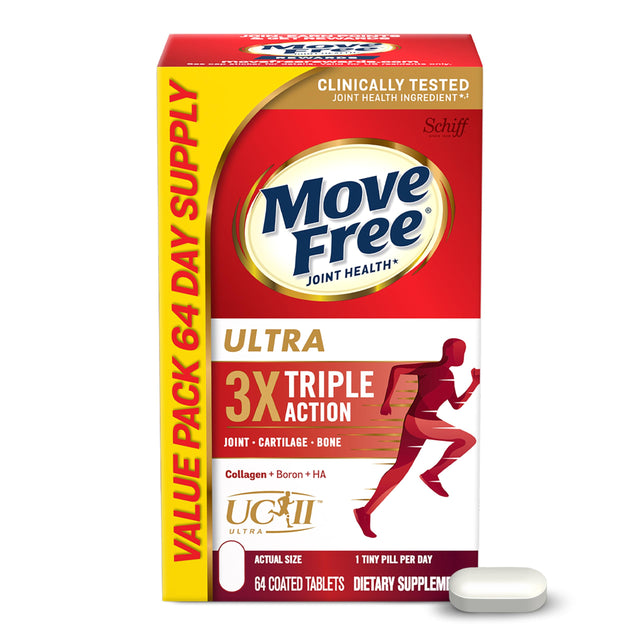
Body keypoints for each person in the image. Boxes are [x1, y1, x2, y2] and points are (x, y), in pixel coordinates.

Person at [354, 338, 479, 538]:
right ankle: (432, 474)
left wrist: (474, 383)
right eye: (459, 352)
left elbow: (456, 404)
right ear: (448, 352)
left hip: (418, 423)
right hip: (420, 422)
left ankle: (365, 511)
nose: (462, 356)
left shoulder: (449, 376)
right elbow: (397, 370)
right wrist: (387, 400)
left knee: (399, 470)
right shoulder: (431, 368)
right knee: (467, 440)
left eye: (464, 352)